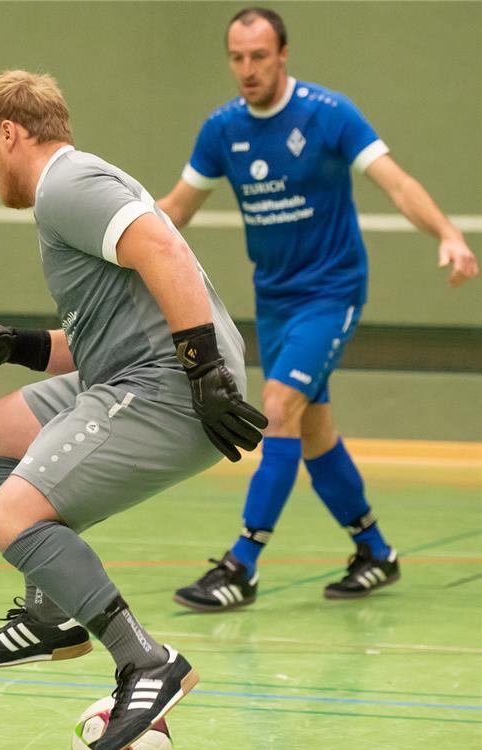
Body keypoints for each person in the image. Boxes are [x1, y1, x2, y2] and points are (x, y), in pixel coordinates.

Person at [0, 69, 265, 750]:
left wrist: (203, 368)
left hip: (170, 384)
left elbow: (163, 247)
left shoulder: (66, 185)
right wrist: (20, 347)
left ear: (9, 132)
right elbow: (104, 336)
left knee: (10, 518)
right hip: (139, 371)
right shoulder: (74, 188)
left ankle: (147, 661)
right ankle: (50, 613)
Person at [157, 7, 478, 611]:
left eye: (258, 57)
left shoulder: (329, 115)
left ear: (283, 56)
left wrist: (448, 235)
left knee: (277, 409)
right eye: (237, 58)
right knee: (313, 432)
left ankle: (241, 565)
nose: (247, 70)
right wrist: (115, 236)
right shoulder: (222, 130)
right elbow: (176, 207)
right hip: (274, 300)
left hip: (331, 293)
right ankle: (375, 552)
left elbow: (397, 182)